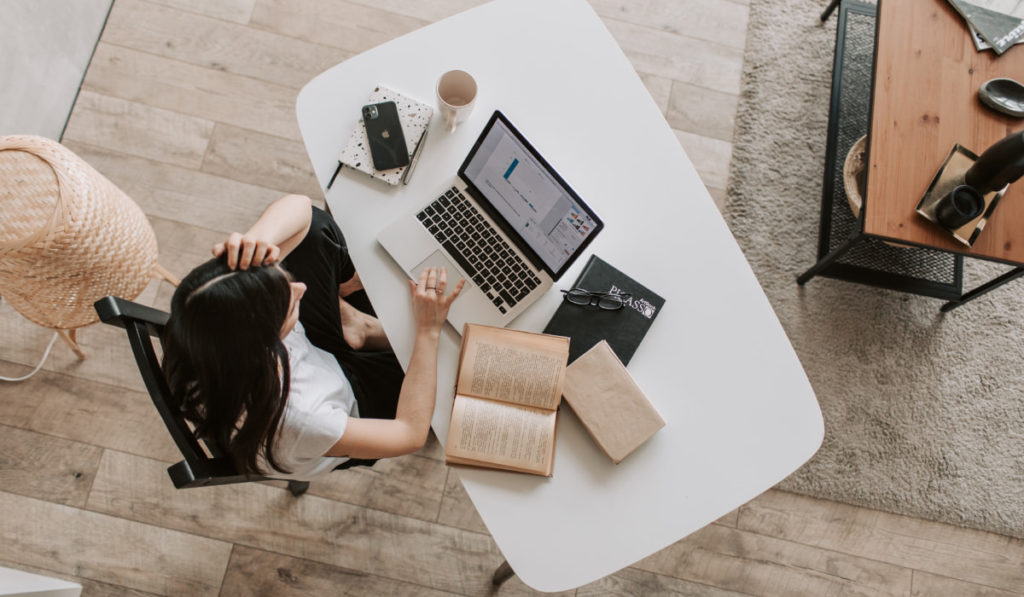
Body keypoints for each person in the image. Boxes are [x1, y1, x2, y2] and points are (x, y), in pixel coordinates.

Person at [161, 194, 464, 480]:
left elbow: (302, 210)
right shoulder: (304, 420)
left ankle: (355, 327)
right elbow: (409, 434)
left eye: (285, 281)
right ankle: (360, 327)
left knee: (316, 231)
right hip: (351, 403)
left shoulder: (203, 320)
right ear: (266, 343)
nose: (301, 289)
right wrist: (427, 329)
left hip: (310, 360)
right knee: (451, 367)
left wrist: (258, 241)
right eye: (289, 302)